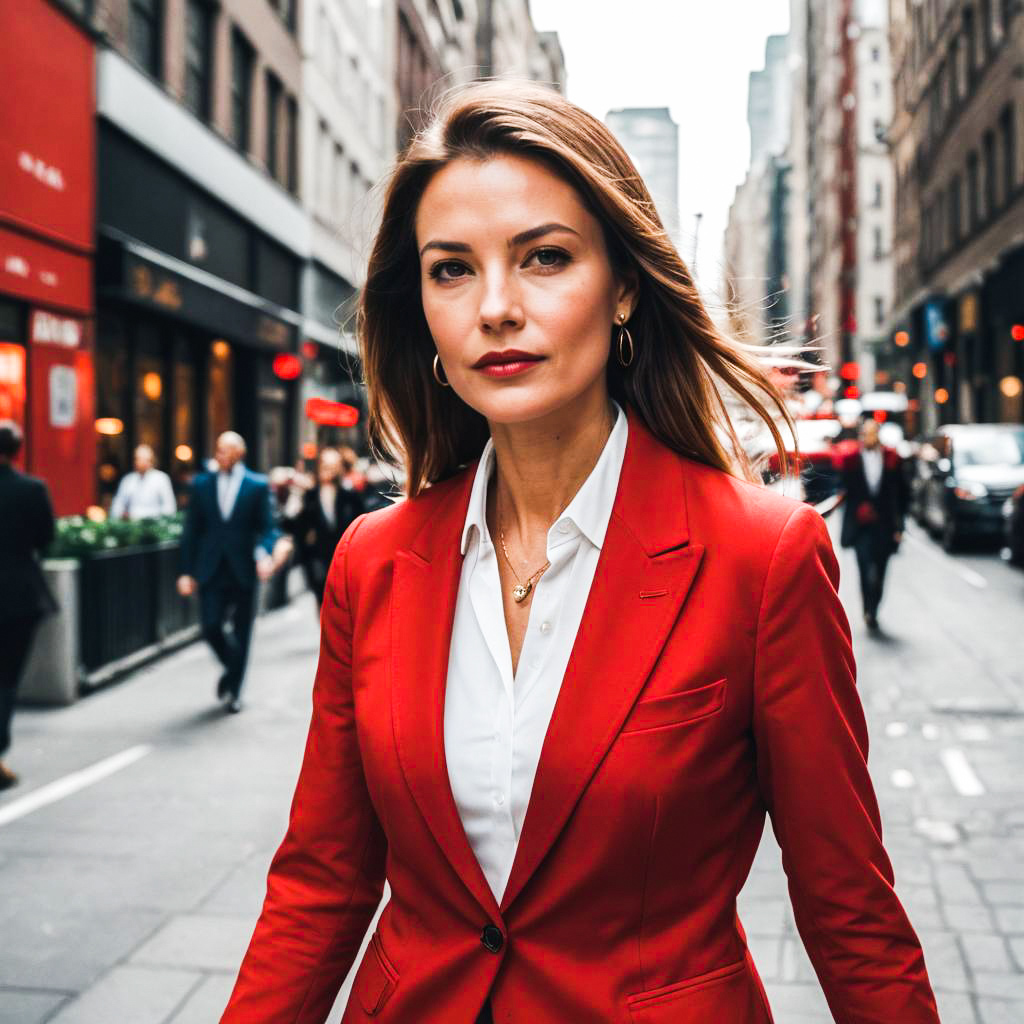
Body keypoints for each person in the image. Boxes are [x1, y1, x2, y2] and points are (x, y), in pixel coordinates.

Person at [221, 83, 939, 1023]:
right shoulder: (373, 560)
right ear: (423, 310)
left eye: (545, 258)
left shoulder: (762, 557)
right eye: (451, 270)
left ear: (625, 284)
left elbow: (848, 909)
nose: (496, 308)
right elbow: (320, 886)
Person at [177, 432, 280, 713]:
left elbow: (269, 528)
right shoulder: (202, 484)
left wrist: (264, 554)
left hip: (244, 568)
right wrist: (186, 571)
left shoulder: (257, 485)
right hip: (210, 569)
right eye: (217, 449)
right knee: (210, 626)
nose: (219, 454)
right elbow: (191, 532)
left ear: (239, 453)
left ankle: (234, 691)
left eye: (225, 450)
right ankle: (232, 668)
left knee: (242, 630)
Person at [0, 421, 56, 790]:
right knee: (6, 680)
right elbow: (46, 537)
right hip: (18, 597)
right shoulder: (32, 489)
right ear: (18, 451)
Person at [838, 418, 908, 631]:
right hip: (861, 528)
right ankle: (867, 608)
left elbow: (903, 495)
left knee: (880, 570)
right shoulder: (852, 460)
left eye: (872, 433)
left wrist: (899, 528)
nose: (869, 437)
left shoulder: (892, 459)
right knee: (864, 568)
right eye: (865, 433)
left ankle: (874, 606)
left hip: (885, 526)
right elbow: (844, 492)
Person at [282, 447, 364, 606]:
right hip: (318, 560)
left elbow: (361, 524)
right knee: (323, 604)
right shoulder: (309, 495)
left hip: (345, 560)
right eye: (325, 466)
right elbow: (294, 527)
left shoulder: (349, 494)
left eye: (333, 466)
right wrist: (294, 503)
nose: (328, 470)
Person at [108, 443, 176, 520]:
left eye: (145, 459)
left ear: (151, 460)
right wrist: (119, 516)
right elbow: (118, 504)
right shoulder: (128, 480)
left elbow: (169, 507)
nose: (141, 462)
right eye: (138, 459)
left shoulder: (161, 479)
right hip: (131, 525)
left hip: (154, 524)